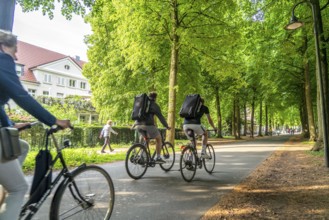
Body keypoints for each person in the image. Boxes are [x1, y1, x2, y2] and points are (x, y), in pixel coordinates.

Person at [0, 29, 72, 220]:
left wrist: (10, 124)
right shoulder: (2, 60)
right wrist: (54, 120)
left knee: (21, 147)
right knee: (19, 188)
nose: (15, 56)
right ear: (3, 46)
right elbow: (23, 97)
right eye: (14, 51)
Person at [134, 92, 170, 163]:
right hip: (148, 125)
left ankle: (143, 157)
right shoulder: (154, 105)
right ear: (155, 98)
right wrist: (166, 126)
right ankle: (158, 157)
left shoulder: (142, 103)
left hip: (138, 124)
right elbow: (161, 117)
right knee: (159, 139)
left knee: (146, 140)